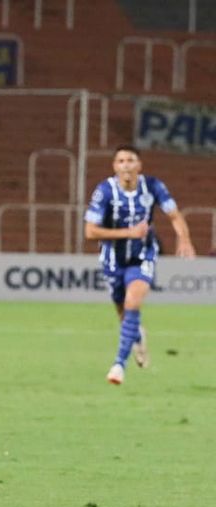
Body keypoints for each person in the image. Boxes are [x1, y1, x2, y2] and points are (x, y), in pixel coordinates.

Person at [84, 145, 195, 385]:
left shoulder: (153, 186)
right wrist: (129, 232)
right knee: (124, 312)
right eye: (121, 161)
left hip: (143, 255)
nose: (126, 165)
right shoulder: (104, 191)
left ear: (139, 165)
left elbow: (174, 215)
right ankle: (136, 336)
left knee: (133, 301)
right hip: (112, 259)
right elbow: (90, 231)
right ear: (115, 166)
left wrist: (184, 238)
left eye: (130, 160)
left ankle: (118, 365)